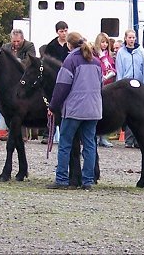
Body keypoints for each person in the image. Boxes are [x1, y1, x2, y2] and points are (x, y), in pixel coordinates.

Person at [47, 32, 102, 190]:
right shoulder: (96, 62)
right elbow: (100, 85)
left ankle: (62, 179)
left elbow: (62, 86)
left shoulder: (70, 60)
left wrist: (53, 106)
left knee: (65, 144)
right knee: (90, 145)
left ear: (69, 45)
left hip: (75, 109)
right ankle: (88, 181)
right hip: (93, 109)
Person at [115, 29, 144, 148]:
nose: (132, 40)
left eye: (133, 38)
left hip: (138, 85)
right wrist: (119, 87)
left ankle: (138, 139)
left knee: (139, 113)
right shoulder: (121, 53)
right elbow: (119, 70)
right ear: (125, 38)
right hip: (126, 85)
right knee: (129, 113)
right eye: (129, 37)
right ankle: (128, 139)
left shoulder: (140, 52)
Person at [93, 32, 116, 148]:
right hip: (97, 86)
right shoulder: (95, 56)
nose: (105, 45)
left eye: (106, 42)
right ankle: (96, 136)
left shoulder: (109, 56)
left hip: (108, 85)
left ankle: (104, 136)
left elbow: (112, 68)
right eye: (102, 42)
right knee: (97, 112)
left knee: (106, 112)